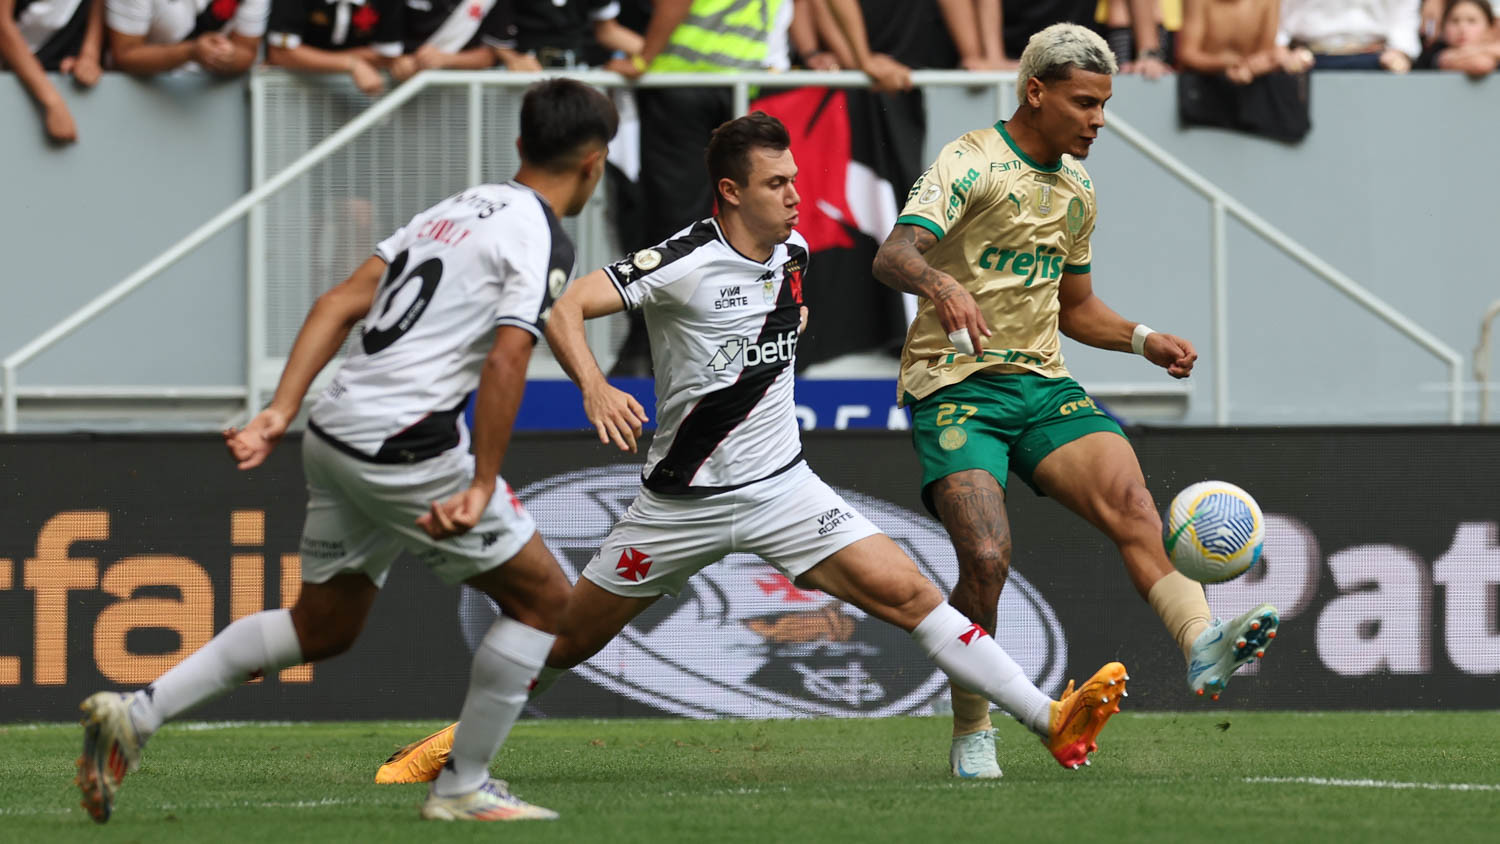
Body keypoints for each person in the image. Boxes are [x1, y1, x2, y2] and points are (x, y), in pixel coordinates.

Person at [373, 111, 1131, 787]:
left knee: (915, 596)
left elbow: (773, 329)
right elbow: (567, 305)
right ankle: (451, 745)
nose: (796, 195)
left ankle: (1049, 720)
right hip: (679, 506)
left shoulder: (795, 250)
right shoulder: (681, 260)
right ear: (731, 193)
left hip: (783, 491)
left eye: (795, 178)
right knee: (567, 639)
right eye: (776, 183)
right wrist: (595, 386)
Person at [72, 78, 619, 825]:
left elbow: (337, 302)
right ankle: (461, 788)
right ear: (595, 163)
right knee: (547, 605)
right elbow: (506, 360)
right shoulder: (541, 235)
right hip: (405, 445)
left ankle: (135, 714)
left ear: (520, 145)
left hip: (333, 430)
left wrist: (277, 412)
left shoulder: (452, 211)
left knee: (323, 626)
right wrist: (481, 480)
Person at [871, 23, 1280, 780]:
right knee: (987, 557)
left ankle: (1202, 644)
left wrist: (1142, 337)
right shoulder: (970, 163)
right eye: (1085, 103)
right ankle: (973, 729)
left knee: (1131, 502)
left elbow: (1076, 306)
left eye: (1104, 105)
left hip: (1043, 384)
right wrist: (943, 283)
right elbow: (893, 253)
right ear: (1036, 91)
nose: (1099, 120)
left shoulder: (1078, 190)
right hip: (954, 387)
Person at [0, 0, 104, 143]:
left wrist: (90, 55)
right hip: (17, 76)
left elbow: (99, 5)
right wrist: (52, 102)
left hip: (62, 71)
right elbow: (2, 25)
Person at [265, 0, 405, 95]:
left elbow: (387, 55)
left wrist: (304, 55)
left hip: (358, 97)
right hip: (294, 92)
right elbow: (280, 53)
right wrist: (351, 64)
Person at [106, 0, 268, 76]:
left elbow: (247, 50)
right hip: (136, 91)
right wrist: (190, 52)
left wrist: (228, 56)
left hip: (213, 100)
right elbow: (125, 54)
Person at [1178, 0, 1314, 82]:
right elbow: (1187, 54)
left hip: (1251, 84)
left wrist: (1251, 67)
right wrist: (1224, 64)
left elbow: (1264, 51)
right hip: (1202, 84)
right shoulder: (1198, 2)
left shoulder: (1266, 3)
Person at [1277, 0, 1421, 72]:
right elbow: (1276, 11)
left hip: (1378, 59)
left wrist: (1401, 51)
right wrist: (1280, 51)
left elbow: (1405, 13)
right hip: (1305, 60)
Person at [389, 0, 509, 83]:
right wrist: (395, 60)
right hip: (404, 92)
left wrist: (446, 59)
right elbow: (380, 44)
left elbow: (494, 51)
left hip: (464, 97)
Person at [1415, 0, 1497, 76]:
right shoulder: (1434, 52)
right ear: (1443, 27)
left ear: (1490, 28)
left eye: (1471, 21)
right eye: (1455, 21)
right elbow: (1481, 65)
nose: (1462, 29)